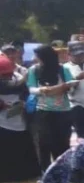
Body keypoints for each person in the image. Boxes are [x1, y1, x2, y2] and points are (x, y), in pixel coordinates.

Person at [27, 44, 75, 172]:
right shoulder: (34, 70)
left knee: (63, 141)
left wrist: (62, 87)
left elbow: (72, 83)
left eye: (38, 56)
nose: (35, 58)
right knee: (44, 141)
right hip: (43, 111)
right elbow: (31, 88)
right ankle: (46, 171)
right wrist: (41, 90)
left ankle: (64, 170)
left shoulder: (62, 70)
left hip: (63, 111)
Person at [0, 55, 40, 183]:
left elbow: (26, 92)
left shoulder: (18, 78)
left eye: (8, 74)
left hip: (20, 120)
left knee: (23, 149)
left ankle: (27, 174)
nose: (6, 77)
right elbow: (11, 87)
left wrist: (24, 103)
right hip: (2, 122)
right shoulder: (18, 81)